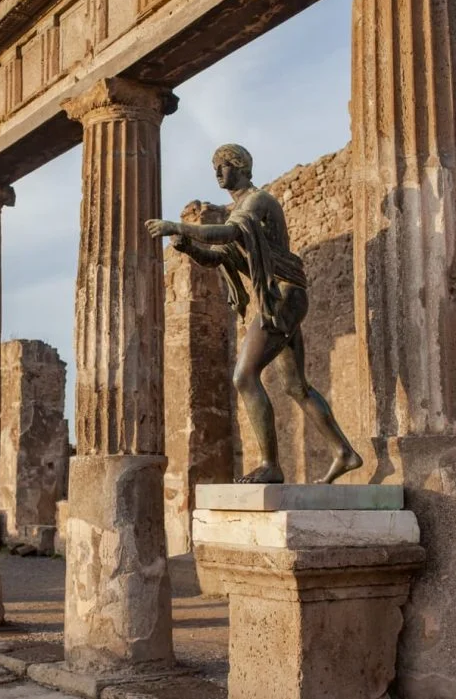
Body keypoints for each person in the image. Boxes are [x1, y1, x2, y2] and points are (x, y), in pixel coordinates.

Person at [145, 144, 363, 484]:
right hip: (284, 298)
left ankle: (270, 466)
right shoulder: (240, 213)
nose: (217, 173)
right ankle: (345, 453)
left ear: (241, 167)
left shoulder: (257, 202)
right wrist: (187, 246)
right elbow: (220, 256)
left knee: (243, 376)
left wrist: (178, 227)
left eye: (223, 165)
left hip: (284, 296)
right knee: (295, 387)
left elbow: (229, 234)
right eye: (214, 167)